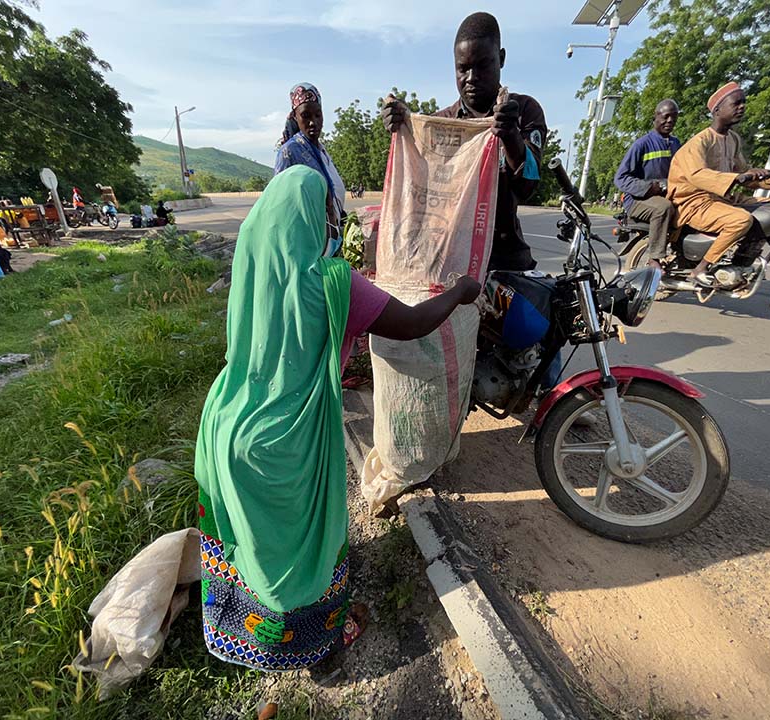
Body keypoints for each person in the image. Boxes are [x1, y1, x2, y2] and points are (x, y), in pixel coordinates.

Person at [194, 165, 480, 673]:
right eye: (329, 210)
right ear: (315, 217)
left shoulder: (252, 264)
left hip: (226, 423)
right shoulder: (331, 283)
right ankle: (310, 647)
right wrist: (458, 292)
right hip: (285, 439)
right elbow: (413, 324)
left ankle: (239, 634)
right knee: (298, 556)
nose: (334, 220)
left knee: (255, 547)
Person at [382, 11, 547, 271]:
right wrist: (404, 127)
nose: (471, 78)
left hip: (505, 261)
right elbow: (417, 188)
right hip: (448, 263)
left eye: (482, 65)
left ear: (501, 59)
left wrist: (512, 135)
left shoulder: (524, 110)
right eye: (463, 68)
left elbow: (528, 185)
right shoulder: (441, 123)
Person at [667, 82, 770, 283]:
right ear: (717, 110)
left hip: (723, 197)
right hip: (694, 202)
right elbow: (697, 175)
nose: (742, 107)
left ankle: (744, 257)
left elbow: (743, 172)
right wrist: (737, 178)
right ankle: (701, 268)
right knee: (740, 220)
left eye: (743, 103)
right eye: (736, 103)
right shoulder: (700, 141)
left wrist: (766, 178)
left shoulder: (733, 139)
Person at [614, 99, 682, 270]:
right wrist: (648, 188)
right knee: (663, 208)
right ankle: (655, 257)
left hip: (666, 194)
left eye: (673, 117)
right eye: (666, 117)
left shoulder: (676, 144)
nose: (669, 121)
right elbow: (621, 178)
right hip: (638, 200)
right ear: (656, 117)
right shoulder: (642, 144)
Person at [274, 82, 347, 223]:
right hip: (308, 241)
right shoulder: (289, 152)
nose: (313, 122)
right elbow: (280, 207)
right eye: (306, 116)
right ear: (295, 117)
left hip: (331, 238)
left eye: (317, 115)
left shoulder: (322, 152)